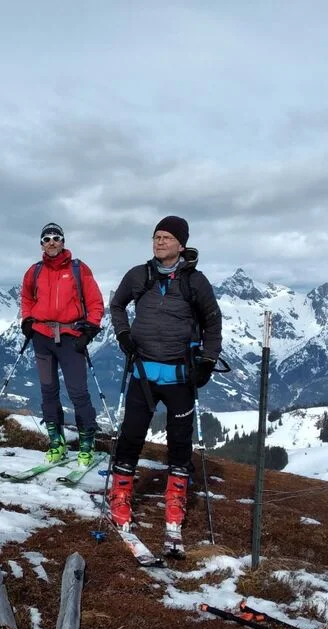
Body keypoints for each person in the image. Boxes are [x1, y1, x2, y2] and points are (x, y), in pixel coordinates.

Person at [107, 216, 222, 541]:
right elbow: (117, 305)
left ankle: (175, 502)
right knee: (131, 436)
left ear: (181, 245)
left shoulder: (195, 282)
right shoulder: (138, 275)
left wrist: (207, 361)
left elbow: (213, 323)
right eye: (156, 236)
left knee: (180, 442)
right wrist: (123, 335)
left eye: (167, 237)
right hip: (143, 372)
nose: (159, 242)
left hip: (180, 375)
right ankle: (120, 496)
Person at [19, 222, 104, 465]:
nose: (52, 242)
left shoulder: (79, 269)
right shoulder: (34, 271)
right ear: (41, 244)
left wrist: (90, 329)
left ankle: (87, 443)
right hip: (41, 336)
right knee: (48, 390)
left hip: (70, 337)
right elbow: (26, 297)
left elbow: (95, 301)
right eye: (47, 239)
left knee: (78, 391)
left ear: (63, 242)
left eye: (56, 238)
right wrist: (27, 319)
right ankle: (56, 442)